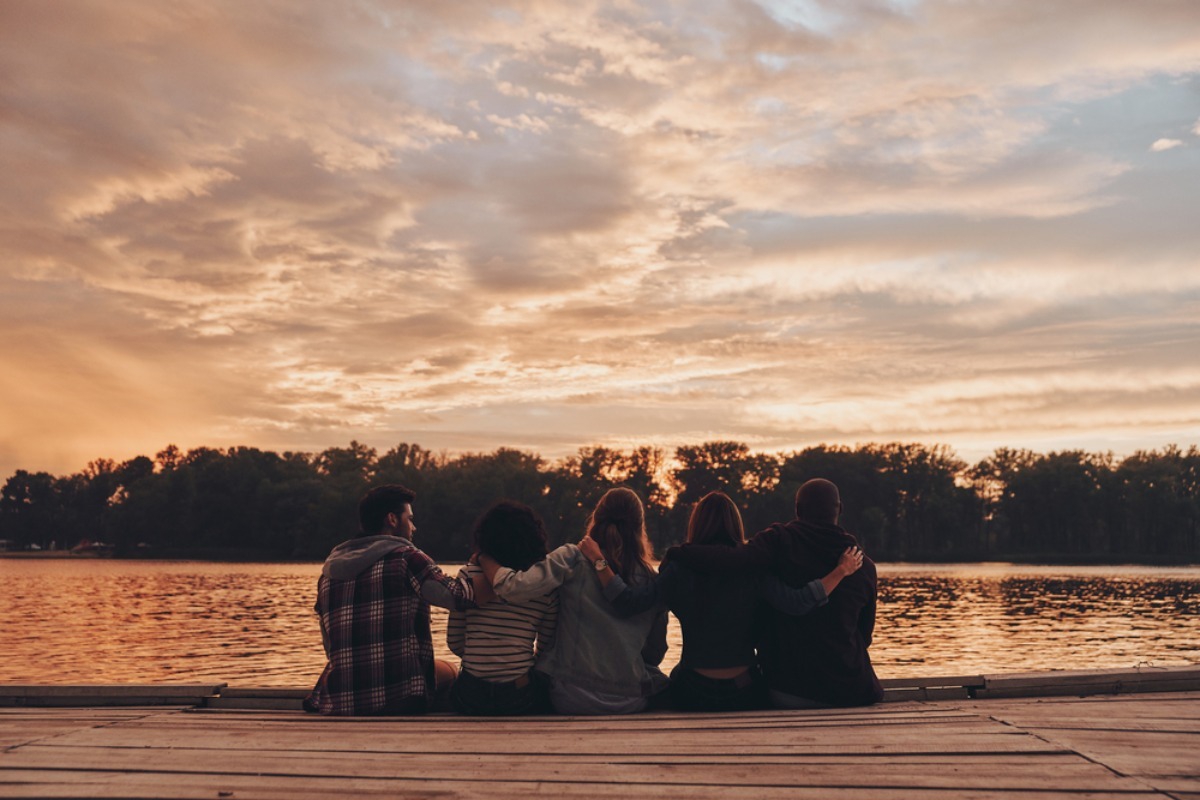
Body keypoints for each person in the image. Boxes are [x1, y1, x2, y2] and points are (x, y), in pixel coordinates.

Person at [581, 491, 862, 711]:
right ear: (735, 524)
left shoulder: (678, 565)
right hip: (745, 691)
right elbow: (798, 602)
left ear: (696, 524)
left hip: (692, 691)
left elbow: (628, 603)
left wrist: (599, 561)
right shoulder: (753, 567)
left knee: (667, 681)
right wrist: (841, 571)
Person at [671, 479, 883, 708]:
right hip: (851, 693)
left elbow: (730, 558)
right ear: (840, 509)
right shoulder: (864, 566)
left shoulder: (776, 545)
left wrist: (680, 553)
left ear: (798, 510)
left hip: (787, 691)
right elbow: (864, 637)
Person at [479, 487, 669, 715]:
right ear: (639, 528)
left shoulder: (571, 558)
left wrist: (485, 559)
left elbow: (513, 589)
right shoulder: (652, 580)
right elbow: (654, 654)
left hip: (571, 697)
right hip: (630, 701)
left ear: (596, 518)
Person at [305, 484, 485, 716]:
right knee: (449, 671)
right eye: (409, 519)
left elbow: (330, 647)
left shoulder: (328, 574)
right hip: (399, 699)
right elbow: (459, 597)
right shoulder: (406, 558)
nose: (413, 527)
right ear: (392, 519)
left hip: (341, 701)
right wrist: (486, 568)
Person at [447, 501, 558, 715]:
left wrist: (482, 664)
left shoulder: (468, 574)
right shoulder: (544, 585)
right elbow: (546, 648)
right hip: (520, 696)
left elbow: (454, 642)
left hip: (471, 695)